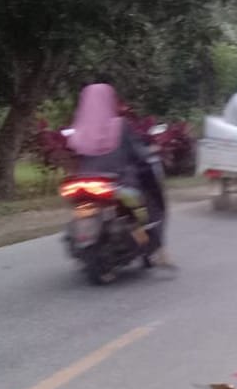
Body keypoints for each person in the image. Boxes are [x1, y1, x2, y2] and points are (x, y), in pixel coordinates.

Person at [67, 83, 175, 268]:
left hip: (81, 185)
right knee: (151, 209)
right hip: (120, 185)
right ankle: (156, 250)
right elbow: (138, 153)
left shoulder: (79, 130)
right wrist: (150, 151)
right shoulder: (119, 125)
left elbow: (74, 155)